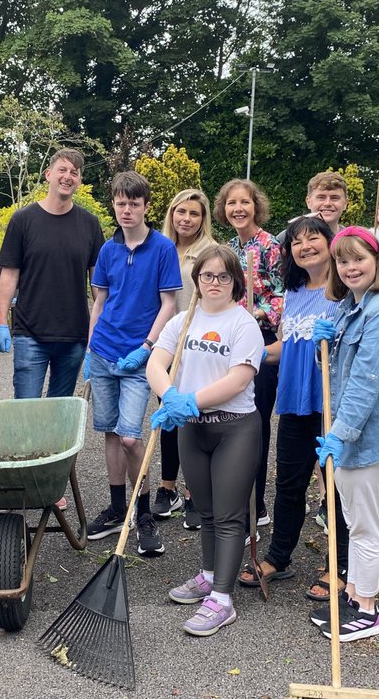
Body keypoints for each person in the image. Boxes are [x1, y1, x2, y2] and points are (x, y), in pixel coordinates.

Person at [146, 245, 264, 637]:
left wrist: (190, 400)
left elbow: (239, 379)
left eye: (223, 277)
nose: (214, 283)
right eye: (207, 276)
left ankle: (223, 599)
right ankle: (209, 575)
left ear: (236, 283)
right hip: (192, 429)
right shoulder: (183, 320)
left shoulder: (243, 324)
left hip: (235, 428)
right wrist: (169, 395)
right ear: (196, 280)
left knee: (230, 517)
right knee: (206, 512)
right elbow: (157, 363)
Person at [311, 226, 379, 642]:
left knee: (363, 526)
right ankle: (353, 599)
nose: (350, 267)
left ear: (377, 262)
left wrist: (340, 433)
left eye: (358, 258)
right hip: (349, 432)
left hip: (371, 435)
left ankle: (369, 610)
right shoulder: (347, 309)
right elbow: (335, 374)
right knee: (355, 520)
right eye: (342, 260)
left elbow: (365, 381)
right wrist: (321, 342)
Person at [238, 215, 348, 600]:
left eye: (313, 238)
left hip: (332, 402)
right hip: (296, 399)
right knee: (288, 482)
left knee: (336, 485)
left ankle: (341, 564)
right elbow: (287, 346)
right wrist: (246, 355)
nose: (304, 246)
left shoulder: (346, 289)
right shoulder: (295, 292)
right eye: (296, 242)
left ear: (329, 242)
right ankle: (279, 557)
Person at [84, 171, 181, 556]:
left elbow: (169, 304)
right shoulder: (108, 250)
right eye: (121, 203)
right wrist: (90, 349)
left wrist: (147, 346)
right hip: (104, 352)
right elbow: (100, 301)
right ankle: (117, 506)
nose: (127, 210)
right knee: (109, 433)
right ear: (115, 205)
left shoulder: (162, 248)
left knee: (130, 436)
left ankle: (142, 515)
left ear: (146, 206)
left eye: (134, 204)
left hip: (139, 359)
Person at [0, 149, 105, 398]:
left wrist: (100, 328)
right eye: (62, 170)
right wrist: (1, 322)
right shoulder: (23, 220)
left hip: (74, 336)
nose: (68, 177)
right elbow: (9, 275)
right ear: (48, 174)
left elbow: (98, 282)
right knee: (27, 416)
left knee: (58, 418)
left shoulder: (90, 224)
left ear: (79, 181)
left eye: (74, 173)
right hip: (30, 334)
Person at [215, 178, 282, 528]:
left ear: (256, 205)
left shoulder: (270, 245)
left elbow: (282, 294)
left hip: (261, 338)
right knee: (233, 418)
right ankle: (237, 500)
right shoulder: (228, 249)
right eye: (231, 203)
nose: (238, 209)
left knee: (254, 424)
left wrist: (257, 313)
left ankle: (256, 507)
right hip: (231, 340)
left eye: (244, 202)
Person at [154, 188, 215, 530]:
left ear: (202, 218)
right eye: (181, 212)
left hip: (198, 343)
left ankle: (193, 492)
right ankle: (167, 488)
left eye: (194, 213)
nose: (186, 219)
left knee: (193, 416)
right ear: (172, 214)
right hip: (165, 342)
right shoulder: (160, 248)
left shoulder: (209, 252)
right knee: (168, 415)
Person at [275, 170, 350, 244]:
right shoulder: (286, 238)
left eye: (334, 198)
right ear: (308, 202)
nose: (328, 203)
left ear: (345, 204)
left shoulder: (352, 241)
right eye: (321, 197)